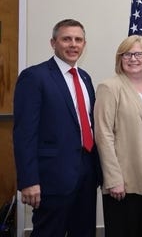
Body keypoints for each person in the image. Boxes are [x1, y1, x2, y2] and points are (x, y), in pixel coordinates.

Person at [13, 18, 101, 236]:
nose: (73, 44)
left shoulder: (85, 78)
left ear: (84, 44)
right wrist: (29, 180)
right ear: (53, 43)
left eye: (78, 40)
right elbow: (25, 134)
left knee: (84, 231)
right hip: (52, 177)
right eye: (66, 39)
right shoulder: (34, 77)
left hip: (86, 173)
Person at [94, 35, 142, 237]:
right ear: (120, 58)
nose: (133, 59)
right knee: (123, 230)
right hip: (124, 177)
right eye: (127, 54)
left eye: (139, 54)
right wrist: (113, 179)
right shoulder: (109, 87)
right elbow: (103, 135)